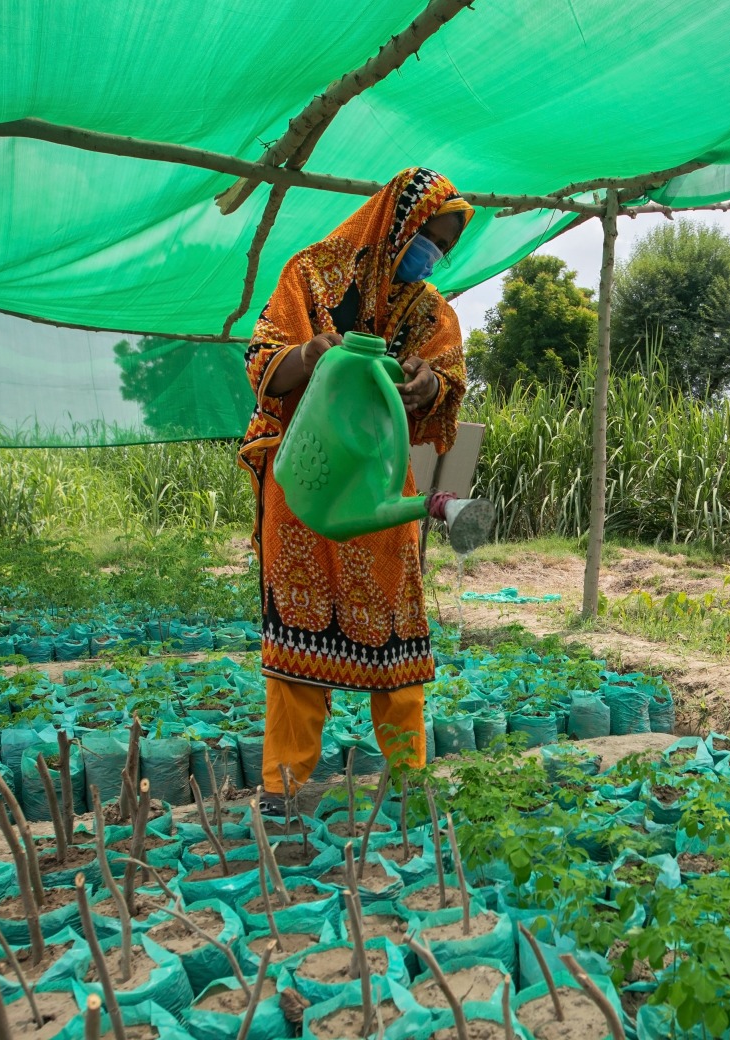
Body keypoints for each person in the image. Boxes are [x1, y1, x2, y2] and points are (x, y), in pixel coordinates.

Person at [237, 167, 472, 816]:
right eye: (431, 238)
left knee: (396, 640)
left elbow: (447, 390)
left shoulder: (429, 311)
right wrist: (313, 354)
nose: (435, 255)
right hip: (310, 477)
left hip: (377, 486)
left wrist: (427, 386)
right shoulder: (311, 276)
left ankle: (411, 780)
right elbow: (263, 361)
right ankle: (283, 789)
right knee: (298, 641)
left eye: (446, 248)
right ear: (398, 223)